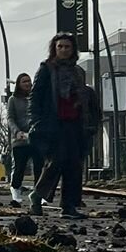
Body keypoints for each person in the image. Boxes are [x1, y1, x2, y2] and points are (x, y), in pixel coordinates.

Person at [29, 33, 97, 218]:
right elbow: (35, 98)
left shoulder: (78, 72)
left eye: (67, 47)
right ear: (54, 49)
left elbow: (84, 98)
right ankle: (37, 196)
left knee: (74, 166)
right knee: (56, 162)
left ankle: (69, 206)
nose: (64, 50)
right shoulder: (46, 69)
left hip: (75, 124)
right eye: (60, 47)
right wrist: (36, 122)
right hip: (53, 124)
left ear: (73, 49)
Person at [6, 73, 39, 203]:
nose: (27, 84)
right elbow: (10, 118)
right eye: (24, 81)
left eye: (29, 81)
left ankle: (38, 192)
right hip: (19, 139)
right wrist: (16, 131)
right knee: (20, 166)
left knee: (38, 166)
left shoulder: (35, 98)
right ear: (19, 84)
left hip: (35, 136)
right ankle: (15, 189)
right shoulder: (13, 100)